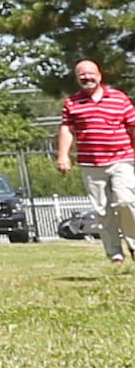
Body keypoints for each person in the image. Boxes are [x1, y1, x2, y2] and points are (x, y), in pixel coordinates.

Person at [58, 57, 135, 262]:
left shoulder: (119, 98)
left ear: (99, 76)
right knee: (103, 210)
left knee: (125, 201)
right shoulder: (72, 103)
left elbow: (132, 126)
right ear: (77, 79)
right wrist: (63, 155)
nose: (86, 77)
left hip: (121, 159)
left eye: (90, 73)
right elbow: (67, 129)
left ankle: (134, 245)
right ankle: (115, 254)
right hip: (91, 164)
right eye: (81, 75)